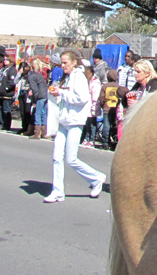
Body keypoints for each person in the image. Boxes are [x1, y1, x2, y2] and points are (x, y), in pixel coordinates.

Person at [43, 50, 107, 203]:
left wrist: (62, 94)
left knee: (71, 159)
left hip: (75, 122)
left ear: (74, 62)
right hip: (63, 121)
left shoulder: (79, 76)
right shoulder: (67, 77)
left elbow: (83, 98)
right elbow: (65, 96)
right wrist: (56, 93)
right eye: (62, 62)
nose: (62, 65)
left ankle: (97, 177)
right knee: (57, 157)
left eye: (65, 62)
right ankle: (57, 191)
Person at [81, 64, 102, 147]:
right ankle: (86, 138)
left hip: (93, 106)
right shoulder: (87, 82)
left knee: (92, 124)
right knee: (87, 124)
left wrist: (94, 107)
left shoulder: (95, 83)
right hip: (86, 106)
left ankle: (92, 139)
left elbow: (95, 97)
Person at [27, 58, 49, 139]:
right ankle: (44, 133)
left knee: (37, 113)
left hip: (40, 96)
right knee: (43, 113)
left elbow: (35, 89)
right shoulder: (40, 75)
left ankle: (37, 133)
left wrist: (34, 100)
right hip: (45, 95)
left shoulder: (31, 77)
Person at [0, 55, 17, 131]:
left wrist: (6, 88)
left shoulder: (12, 70)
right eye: (4, 59)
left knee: (6, 110)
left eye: (6, 59)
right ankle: (0, 123)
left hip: (7, 93)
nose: (4, 61)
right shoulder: (3, 69)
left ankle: (7, 125)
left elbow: (12, 82)